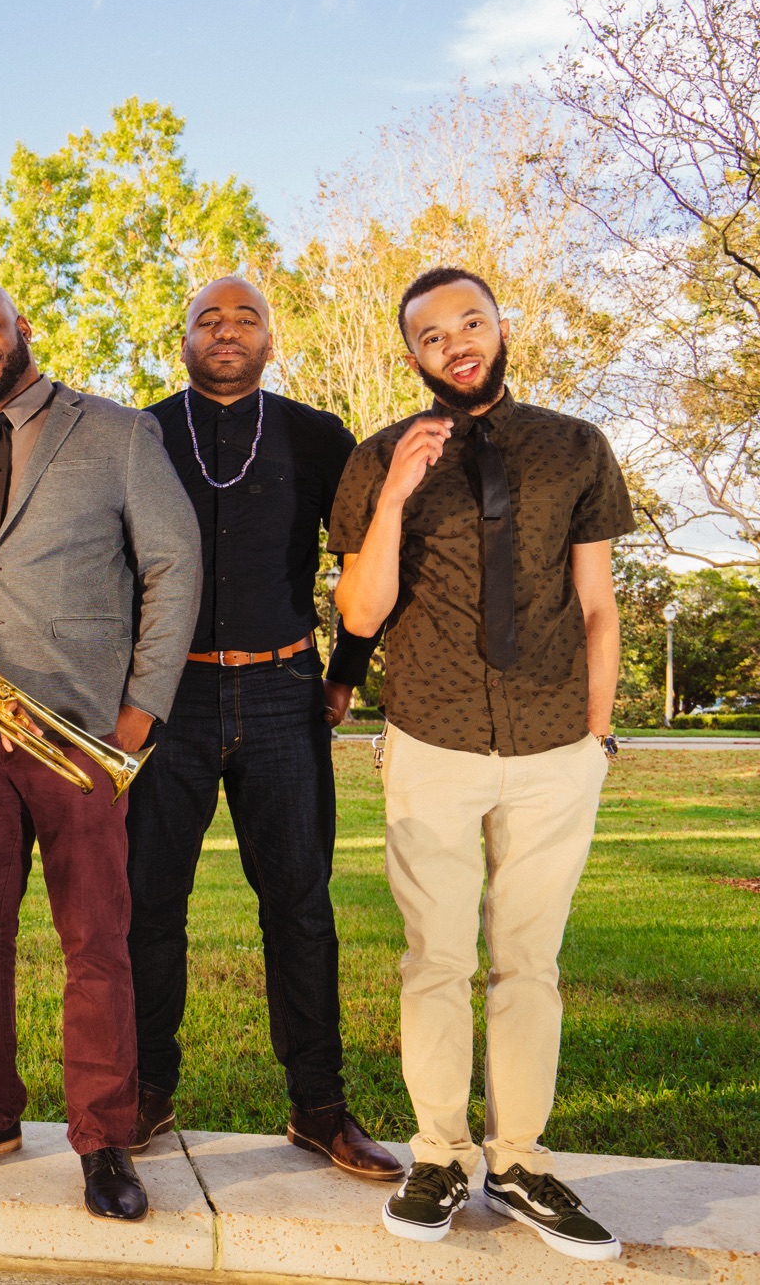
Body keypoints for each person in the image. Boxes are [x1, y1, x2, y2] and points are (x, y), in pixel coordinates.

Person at [331, 267, 631, 1261]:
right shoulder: (378, 456)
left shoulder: (573, 449)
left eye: (470, 320)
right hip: (430, 740)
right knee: (436, 958)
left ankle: (517, 1158)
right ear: (409, 354)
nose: (454, 341)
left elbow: (595, 602)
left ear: (501, 327)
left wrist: (595, 732)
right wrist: (396, 496)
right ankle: (437, 1155)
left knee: (527, 962)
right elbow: (361, 613)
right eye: (429, 333)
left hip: (553, 743)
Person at [0, 281, 200, 1223]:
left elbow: (173, 568)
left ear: (24, 330)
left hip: (80, 742)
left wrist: (137, 719)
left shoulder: (114, 433)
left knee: (95, 946)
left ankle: (104, 1140)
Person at [123, 277, 400, 1181]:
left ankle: (319, 1107)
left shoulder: (320, 438)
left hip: (285, 692)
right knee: (150, 904)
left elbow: (366, 570)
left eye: (246, 318)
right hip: (167, 701)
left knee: (300, 905)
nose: (228, 330)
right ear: (185, 341)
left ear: (272, 339)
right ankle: (146, 1090)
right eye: (209, 318)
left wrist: (344, 678)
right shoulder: (140, 435)